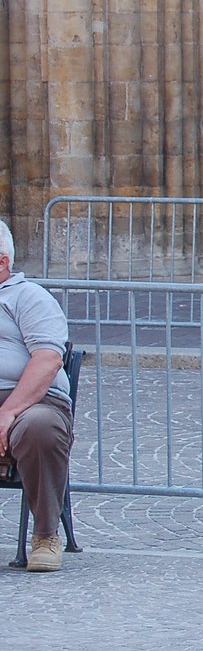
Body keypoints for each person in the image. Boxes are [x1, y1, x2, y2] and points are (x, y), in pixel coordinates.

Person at [0, 219, 74, 572]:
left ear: (2, 262)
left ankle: (46, 534)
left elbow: (48, 359)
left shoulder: (28, 297)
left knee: (38, 426)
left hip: (32, 400)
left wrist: (9, 410)